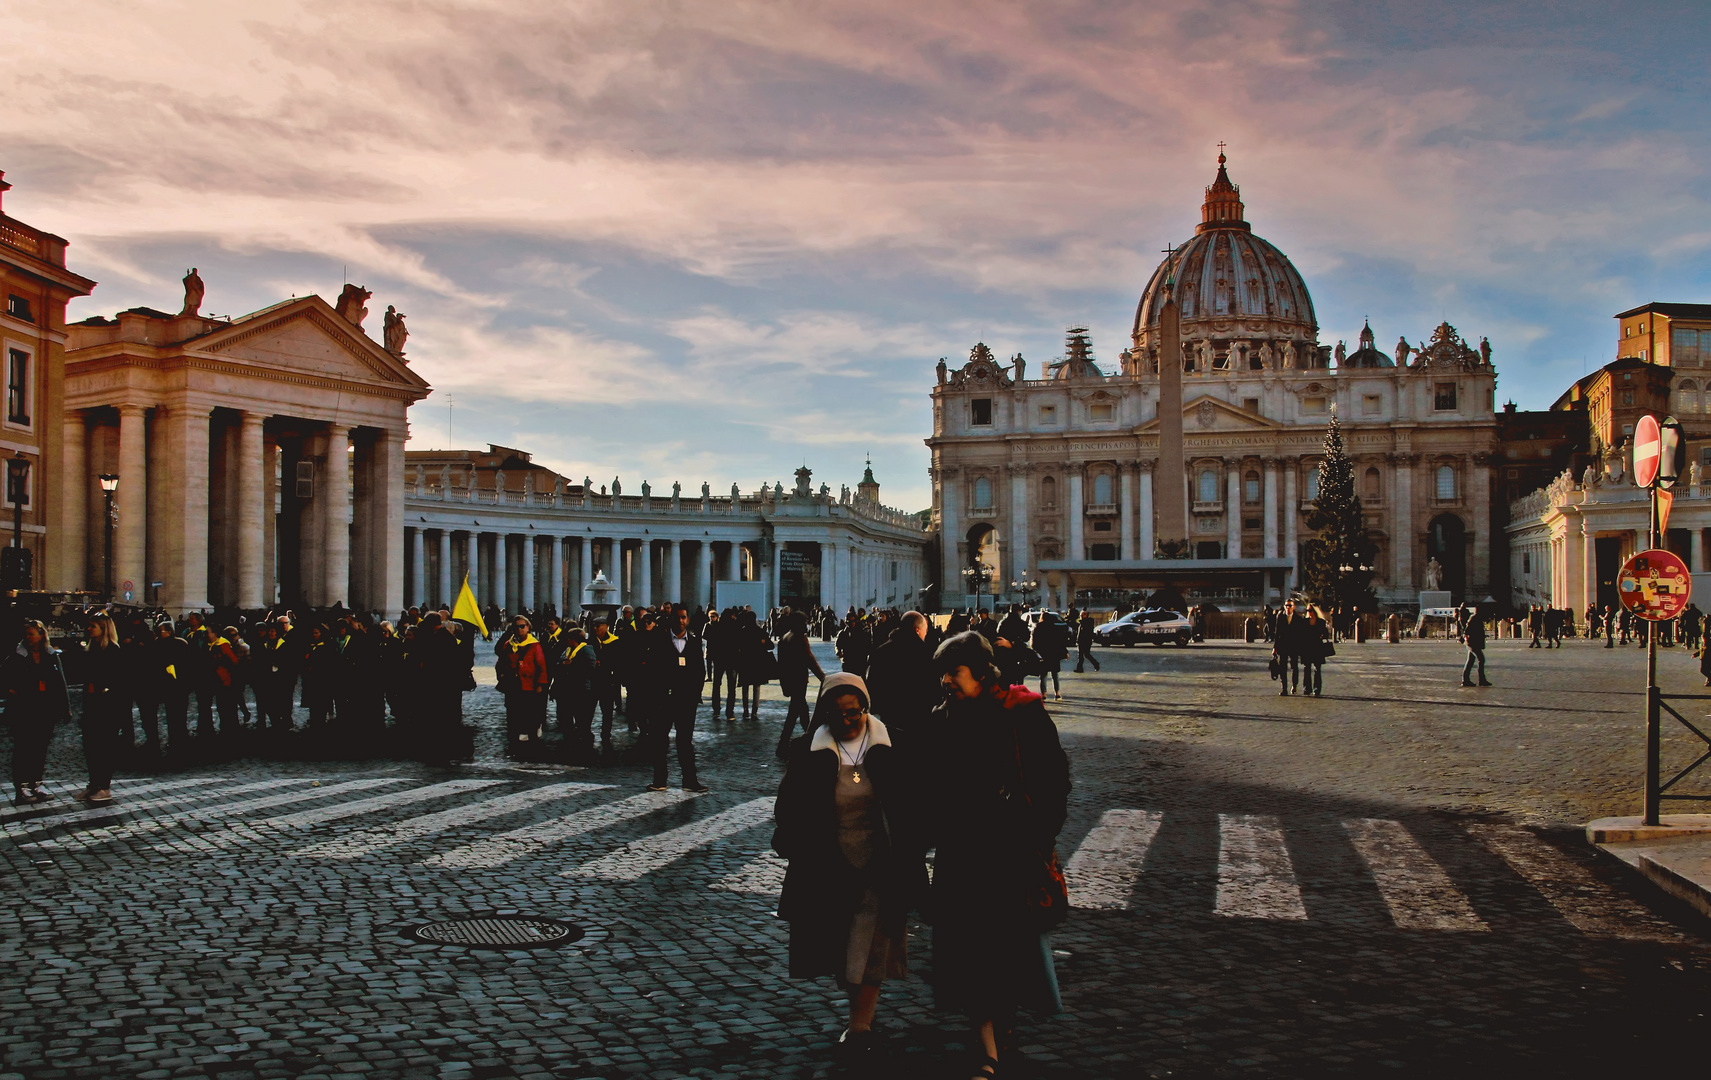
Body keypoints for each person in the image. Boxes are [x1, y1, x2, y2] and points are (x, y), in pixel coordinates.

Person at [922, 632, 1069, 1078]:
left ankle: (1000, 1031)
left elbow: (1054, 782)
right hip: (961, 856)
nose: (946, 680)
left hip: (1011, 854)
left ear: (983, 673)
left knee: (1005, 950)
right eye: (943, 673)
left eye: (955, 672)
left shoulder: (1023, 714)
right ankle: (986, 1046)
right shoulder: (942, 717)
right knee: (970, 951)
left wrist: (1039, 838)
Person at [773, 671, 921, 1061]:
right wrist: (790, 841)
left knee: (872, 946)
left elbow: (914, 805)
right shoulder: (809, 750)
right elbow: (787, 807)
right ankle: (858, 1014)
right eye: (838, 714)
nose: (847, 721)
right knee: (842, 947)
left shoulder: (896, 745)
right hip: (831, 864)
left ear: (866, 709)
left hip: (882, 863)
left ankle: (860, 1026)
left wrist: (915, 846)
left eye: (854, 713)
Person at [4, 620, 71, 806]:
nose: (28, 638)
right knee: (23, 748)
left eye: (31, 634)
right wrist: (13, 692)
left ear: (41, 635)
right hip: (24, 709)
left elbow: (60, 682)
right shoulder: (18, 656)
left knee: (40, 747)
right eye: (27, 634)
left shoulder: (50, 655)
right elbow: (4, 677)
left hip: (45, 708)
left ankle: (36, 783)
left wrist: (65, 707)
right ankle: (22, 786)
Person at [648, 606, 708, 793]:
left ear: (688, 620)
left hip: (685, 701)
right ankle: (659, 780)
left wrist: (694, 695)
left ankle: (689, 780)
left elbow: (700, 672)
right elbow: (652, 670)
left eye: (683, 617)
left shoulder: (695, 642)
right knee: (660, 741)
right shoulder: (659, 640)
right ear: (671, 619)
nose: (680, 621)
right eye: (677, 617)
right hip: (663, 700)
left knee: (685, 742)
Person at [864, 611, 939, 739]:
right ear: (917, 630)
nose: (925, 635)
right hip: (919, 718)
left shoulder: (880, 652)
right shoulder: (925, 654)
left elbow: (872, 686)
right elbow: (934, 689)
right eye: (924, 631)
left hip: (888, 719)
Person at [77, 615, 126, 804]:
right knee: (91, 747)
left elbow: (119, 683)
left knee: (104, 748)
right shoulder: (91, 649)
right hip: (92, 705)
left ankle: (104, 786)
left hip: (107, 707)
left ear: (103, 629)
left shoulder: (113, 651)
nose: (89, 629)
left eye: (93, 626)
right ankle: (94, 784)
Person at [775, 611, 826, 759]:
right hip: (799, 680)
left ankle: (810, 739)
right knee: (794, 713)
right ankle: (784, 744)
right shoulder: (800, 639)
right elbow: (810, 660)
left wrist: (783, 682)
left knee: (802, 711)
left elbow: (781, 664)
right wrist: (823, 677)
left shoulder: (784, 638)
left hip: (789, 680)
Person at [496, 615, 550, 756]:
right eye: (517, 627)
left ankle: (532, 743)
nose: (520, 629)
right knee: (513, 714)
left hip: (529, 685)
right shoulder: (508, 645)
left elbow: (541, 666)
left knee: (529, 714)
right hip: (512, 685)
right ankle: (514, 742)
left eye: (522, 626)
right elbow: (501, 662)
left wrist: (540, 684)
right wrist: (501, 675)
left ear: (528, 628)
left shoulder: (534, 645)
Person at [1030, 612, 1070, 701]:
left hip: (1043, 654)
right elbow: (1060, 642)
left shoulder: (1037, 628)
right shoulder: (1054, 628)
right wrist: (1065, 652)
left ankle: (1044, 694)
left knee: (1043, 675)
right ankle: (1057, 693)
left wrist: (1036, 652)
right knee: (1055, 675)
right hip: (1054, 654)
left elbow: (1033, 643)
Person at [1273, 599, 1304, 695]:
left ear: (1294, 607)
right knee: (1282, 668)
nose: (1288, 607)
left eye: (1290, 605)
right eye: (1286, 605)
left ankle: (1294, 685)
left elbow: (1301, 635)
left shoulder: (1298, 619)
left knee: (1294, 667)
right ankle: (1284, 688)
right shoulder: (1280, 617)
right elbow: (1277, 633)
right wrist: (1275, 647)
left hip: (1294, 646)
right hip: (1283, 646)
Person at [1299, 606, 1331, 697]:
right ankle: (1307, 688)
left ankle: (1317, 689)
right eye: (1307, 610)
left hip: (1317, 647)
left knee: (1317, 669)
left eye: (1310, 610)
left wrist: (1322, 635)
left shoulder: (1321, 622)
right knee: (1307, 668)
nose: (1309, 612)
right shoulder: (1304, 622)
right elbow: (1300, 634)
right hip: (1307, 647)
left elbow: (1325, 634)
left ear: (1314, 611)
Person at [1460, 605, 1491, 687]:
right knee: (1481, 659)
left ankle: (1465, 680)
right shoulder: (1475, 618)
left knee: (1470, 661)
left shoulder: (1476, 618)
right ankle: (1481, 680)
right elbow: (1467, 631)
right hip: (1473, 643)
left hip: (1472, 643)